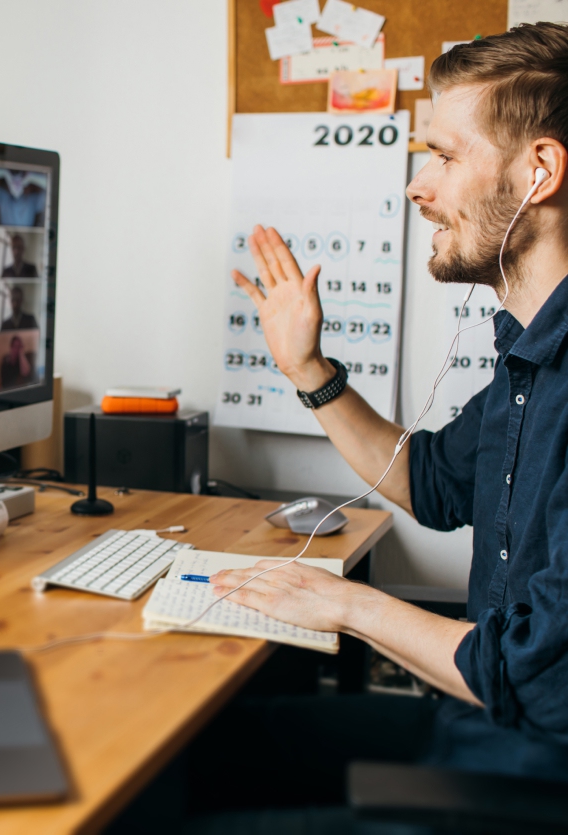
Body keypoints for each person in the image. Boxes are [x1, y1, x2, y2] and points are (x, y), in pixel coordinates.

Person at [188, 22, 568, 834]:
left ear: (539, 171)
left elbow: (540, 680)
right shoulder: (530, 354)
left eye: (443, 155)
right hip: (479, 736)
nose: (416, 186)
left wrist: (345, 605)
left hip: (534, 789)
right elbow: (431, 482)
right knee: (196, 756)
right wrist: (308, 371)